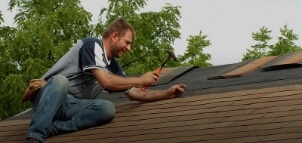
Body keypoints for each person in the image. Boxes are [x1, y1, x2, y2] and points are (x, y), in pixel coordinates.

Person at [26, 18, 186, 143]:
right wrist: (139, 79)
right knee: (60, 81)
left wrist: (168, 93)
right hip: (48, 97)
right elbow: (105, 81)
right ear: (115, 36)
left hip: (71, 107)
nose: (129, 48)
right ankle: (36, 136)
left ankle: (53, 128)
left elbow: (137, 94)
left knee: (107, 108)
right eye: (127, 42)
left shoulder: (113, 66)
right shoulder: (91, 45)